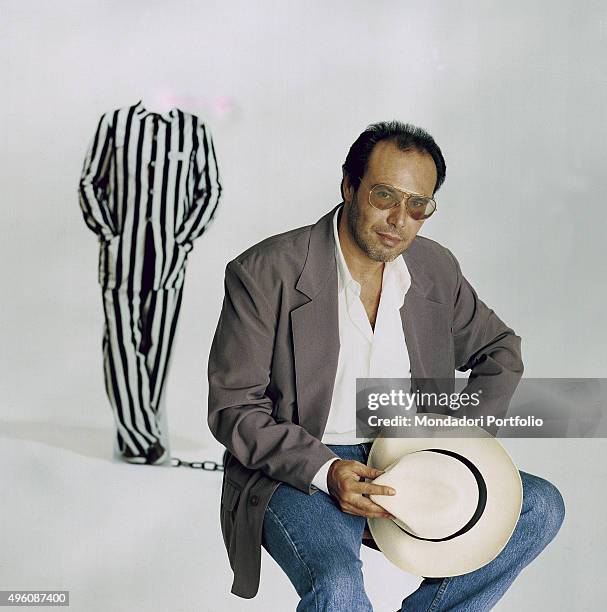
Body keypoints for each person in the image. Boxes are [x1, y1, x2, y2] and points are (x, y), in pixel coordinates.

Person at [207, 121, 564, 609]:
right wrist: (327, 470)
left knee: (540, 508)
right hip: (299, 466)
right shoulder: (266, 272)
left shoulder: (435, 268)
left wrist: (456, 445)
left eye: (418, 205)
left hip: (405, 458)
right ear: (349, 187)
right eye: (384, 196)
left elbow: (500, 350)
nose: (400, 219)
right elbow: (234, 409)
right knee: (338, 584)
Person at [79, 100, 221, 465]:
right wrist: (109, 234)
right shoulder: (115, 122)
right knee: (122, 345)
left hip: (168, 260)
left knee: (157, 347)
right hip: (119, 257)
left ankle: (137, 439)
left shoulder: (193, 128)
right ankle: (144, 437)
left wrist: (182, 239)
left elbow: (210, 189)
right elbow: (90, 182)